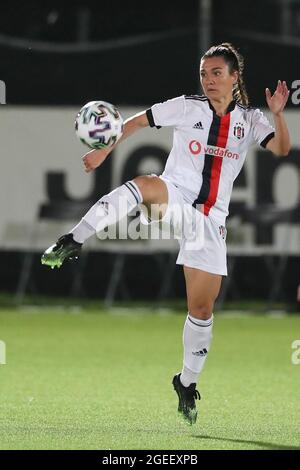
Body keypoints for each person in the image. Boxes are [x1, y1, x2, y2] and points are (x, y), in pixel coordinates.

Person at [41, 43, 290, 425]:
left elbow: (282, 149)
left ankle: (186, 383)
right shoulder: (187, 106)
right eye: (204, 73)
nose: (208, 80)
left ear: (235, 76)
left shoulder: (251, 120)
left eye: (217, 73)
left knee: (202, 311)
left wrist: (278, 116)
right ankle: (73, 239)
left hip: (208, 222)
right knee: (144, 184)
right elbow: (139, 121)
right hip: (174, 198)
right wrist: (106, 150)